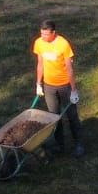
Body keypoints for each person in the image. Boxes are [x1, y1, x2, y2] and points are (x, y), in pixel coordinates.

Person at [33, 19, 84, 156]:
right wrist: (38, 83)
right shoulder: (39, 43)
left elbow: (69, 68)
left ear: (53, 33)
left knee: (72, 116)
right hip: (49, 86)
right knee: (54, 117)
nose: (43, 37)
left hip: (64, 86)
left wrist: (73, 90)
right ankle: (60, 145)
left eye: (46, 34)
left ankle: (79, 143)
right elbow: (40, 64)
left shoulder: (63, 44)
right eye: (41, 34)